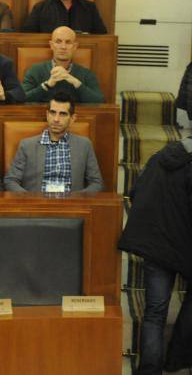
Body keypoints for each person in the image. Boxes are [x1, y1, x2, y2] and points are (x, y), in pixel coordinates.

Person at [117, 139, 192, 375]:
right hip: (185, 246)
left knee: (154, 313)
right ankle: (177, 360)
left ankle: (150, 370)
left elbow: (136, 192)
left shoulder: (159, 156)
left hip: (156, 246)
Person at [4, 94, 103, 193]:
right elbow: (10, 181)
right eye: (53, 113)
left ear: (72, 118)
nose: (56, 119)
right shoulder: (27, 145)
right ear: (47, 115)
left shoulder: (84, 145)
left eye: (62, 114)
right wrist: (29, 199)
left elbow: (97, 183)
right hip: (37, 205)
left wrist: (78, 199)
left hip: (72, 205)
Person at [22, 26, 104, 103]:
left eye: (68, 42)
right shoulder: (35, 70)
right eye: (58, 42)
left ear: (75, 46)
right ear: (51, 45)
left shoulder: (86, 74)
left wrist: (75, 82)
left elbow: (99, 101)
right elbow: (22, 98)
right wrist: (47, 85)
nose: (63, 47)